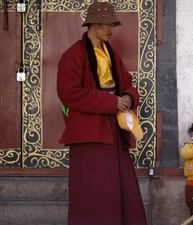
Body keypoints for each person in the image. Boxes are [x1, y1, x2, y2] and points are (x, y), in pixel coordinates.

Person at [56, 2, 147, 225]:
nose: (111, 29)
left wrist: (127, 97)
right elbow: (69, 93)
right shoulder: (74, 55)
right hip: (89, 132)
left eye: (113, 25)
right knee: (93, 190)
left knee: (118, 186)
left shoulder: (111, 54)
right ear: (93, 24)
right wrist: (110, 101)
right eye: (107, 24)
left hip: (113, 129)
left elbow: (127, 83)